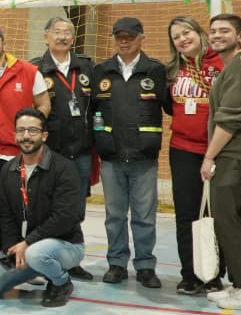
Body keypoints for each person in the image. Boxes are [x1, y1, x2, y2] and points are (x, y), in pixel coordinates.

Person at [90, 17, 171, 289]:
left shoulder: (155, 71)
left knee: (144, 217)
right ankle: (116, 264)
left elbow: (172, 107)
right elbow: (93, 112)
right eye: (119, 37)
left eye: (130, 37)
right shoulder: (102, 70)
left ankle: (146, 266)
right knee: (114, 216)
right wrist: (101, 139)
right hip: (111, 158)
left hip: (143, 158)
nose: (124, 42)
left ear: (141, 38)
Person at [0, 108, 85, 308]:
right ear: (15, 134)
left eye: (33, 131)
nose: (26, 136)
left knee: (36, 254)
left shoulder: (63, 169)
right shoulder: (8, 171)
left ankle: (62, 282)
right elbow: (6, 216)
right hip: (24, 248)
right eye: (21, 130)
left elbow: (65, 217)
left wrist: (28, 243)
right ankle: (37, 269)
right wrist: (12, 249)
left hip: (65, 245)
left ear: (44, 136)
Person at [199, 13, 241, 310]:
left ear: (240, 36)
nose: (216, 35)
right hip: (232, 155)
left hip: (235, 155)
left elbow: (232, 117)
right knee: (228, 219)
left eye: (224, 31)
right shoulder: (231, 68)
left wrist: (210, 155)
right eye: (213, 30)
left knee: (229, 218)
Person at [30, 16, 95, 280]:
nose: (63, 37)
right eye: (57, 32)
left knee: (75, 209)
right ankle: (40, 259)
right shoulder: (34, 68)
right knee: (45, 207)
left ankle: (70, 259)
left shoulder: (88, 67)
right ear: (46, 37)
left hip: (80, 153)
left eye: (68, 32)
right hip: (49, 154)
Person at [165, 16, 224, 295]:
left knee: (215, 215)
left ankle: (213, 274)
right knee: (186, 215)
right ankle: (189, 274)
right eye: (176, 37)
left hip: (217, 153)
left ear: (200, 32)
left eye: (186, 32)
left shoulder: (222, 63)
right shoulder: (173, 70)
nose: (182, 39)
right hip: (182, 151)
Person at [0, 23, 51, 192]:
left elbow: (44, 104)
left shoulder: (29, 71)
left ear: (3, 42)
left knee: (20, 206)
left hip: (20, 151)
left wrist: (29, 133)